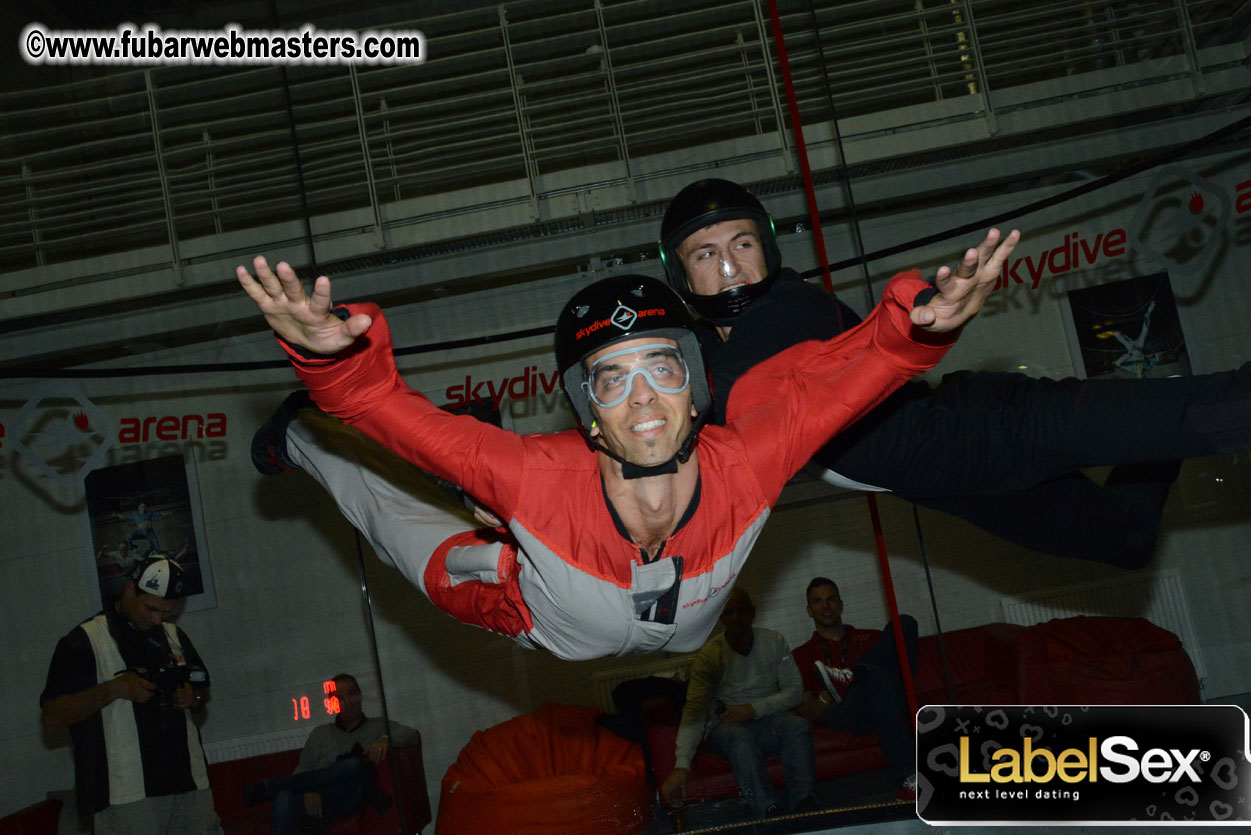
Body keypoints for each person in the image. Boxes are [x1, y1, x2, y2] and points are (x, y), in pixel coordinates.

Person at [237, 233, 1013, 660]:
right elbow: (379, 405)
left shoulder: (747, 458)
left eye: (660, 368)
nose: (641, 398)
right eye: (610, 381)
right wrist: (332, 359)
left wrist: (921, 322)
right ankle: (304, 439)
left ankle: (483, 511)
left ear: (693, 386)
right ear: (587, 415)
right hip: (553, 616)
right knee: (397, 517)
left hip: (690, 623)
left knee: (479, 494)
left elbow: (856, 372)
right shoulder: (534, 475)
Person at [659, 177, 1251, 567]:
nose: (730, 265)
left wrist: (919, 315)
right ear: (685, 278)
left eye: (742, 244)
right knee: (1127, 539)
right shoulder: (709, 359)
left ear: (767, 249)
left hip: (989, 426)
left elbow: (857, 349)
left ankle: (1160, 412)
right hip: (951, 484)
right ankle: (1156, 413)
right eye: (706, 255)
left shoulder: (789, 308)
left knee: (1226, 410)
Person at [40, 556, 219, 834]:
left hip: (189, 784)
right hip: (125, 794)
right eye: (150, 608)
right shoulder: (85, 641)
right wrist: (114, 689)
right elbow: (51, 716)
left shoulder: (173, 636)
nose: (157, 618)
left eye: (166, 612)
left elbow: (199, 695)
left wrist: (191, 698)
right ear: (129, 589)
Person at [660, 587, 816, 817]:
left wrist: (752, 709)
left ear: (752, 612)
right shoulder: (711, 655)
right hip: (725, 728)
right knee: (739, 738)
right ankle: (766, 808)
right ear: (721, 618)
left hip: (766, 720)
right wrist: (681, 765)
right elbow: (694, 710)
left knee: (797, 726)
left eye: (742, 611)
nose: (736, 618)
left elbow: (794, 691)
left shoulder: (773, 641)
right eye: (729, 612)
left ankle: (805, 803)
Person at [791, 578, 919, 802]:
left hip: (886, 700)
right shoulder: (801, 655)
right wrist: (827, 695)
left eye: (831, 599)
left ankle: (850, 675)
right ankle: (907, 776)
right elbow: (804, 712)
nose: (826, 606)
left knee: (905, 622)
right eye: (818, 602)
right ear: (809, 610)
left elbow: (904, 671)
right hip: (844, 711)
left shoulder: (872, 638)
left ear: (841, 605)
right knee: (878, 680)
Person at [242, 673, 419, 835]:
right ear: (333, 703)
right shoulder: (320, 734)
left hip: (349, 795)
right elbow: (303, 768)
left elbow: (411, 735)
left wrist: (385, 739)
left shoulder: (377, 726)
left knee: (354, 765)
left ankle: (269, 787)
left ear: (360, 696)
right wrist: (308, 792)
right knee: (284, 797)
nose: (348, 702)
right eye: (340, 698)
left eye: (351, 694)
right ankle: (278, 791)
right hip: (317, 799)